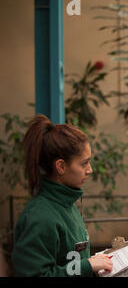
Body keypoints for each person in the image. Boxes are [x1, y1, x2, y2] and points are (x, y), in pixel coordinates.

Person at [12, 115, 113, 277]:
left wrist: (93, 265)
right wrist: (87, 266)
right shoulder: (40, 217)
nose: (90, 169)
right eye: (84, 163)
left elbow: (71, 263)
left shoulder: (67, 205)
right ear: (61, 166)